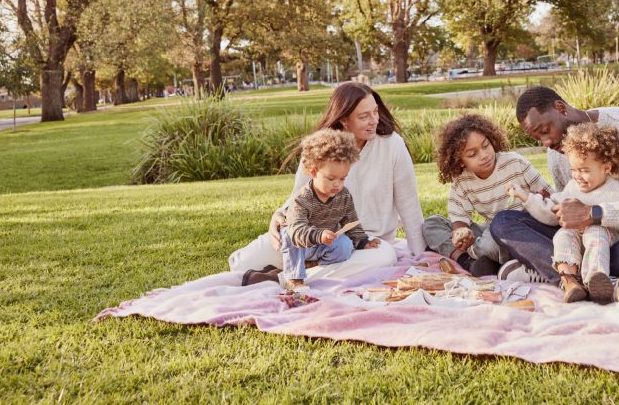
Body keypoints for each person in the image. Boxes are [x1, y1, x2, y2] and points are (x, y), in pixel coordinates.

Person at [490, 86, 619, 286]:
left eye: (544, 131)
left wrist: (594, 213)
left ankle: (566, 274)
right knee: (503, 223)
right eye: (538, 138)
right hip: (581, 242)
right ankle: (586, 277)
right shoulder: (557, 153)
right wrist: (543, 203)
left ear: (560, 108)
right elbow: (569, 217)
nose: (546, 142)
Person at [232, 82, 425, 283]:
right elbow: (299, 195)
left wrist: (420, 256)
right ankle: (303, 267)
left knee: (385, 256)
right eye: (364, 116)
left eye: (375, 112)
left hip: (366, 242)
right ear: (344, 120)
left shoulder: (392, 145)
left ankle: (283, 279)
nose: (374, 121)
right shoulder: (321, 146)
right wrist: (279, 216)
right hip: (313, 236)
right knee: (242, 263)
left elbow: (410, 207)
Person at [509, 122, 619, 304]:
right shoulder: (572, 187)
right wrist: (526, 197)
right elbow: (552, 212)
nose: (577, 176)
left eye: (585, 170)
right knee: (564, 233)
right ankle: (569, 280)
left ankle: (596, 279)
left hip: (607, 245)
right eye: (574, 170)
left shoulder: (615, 191)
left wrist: (596, 220)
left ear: (606, 168)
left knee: (596, 231)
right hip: (577, 247)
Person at [422, 114, 551, 276]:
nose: (484, 155)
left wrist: (538, 199)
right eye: (472, 154)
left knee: (488, 246)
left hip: (523, 228)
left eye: (486, 145)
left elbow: (549, 195)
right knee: (432, 224)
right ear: (460, 161)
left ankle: (491, 259)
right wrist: (462, 235)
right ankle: (466, 261)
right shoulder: (463, 181)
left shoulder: (515, 163)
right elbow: (459, 220)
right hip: (490, 230)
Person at [271, 129, 380, 291]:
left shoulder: (343, 196)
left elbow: (351, 222)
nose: (337, 184)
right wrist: (318, 235)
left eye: (342, 178)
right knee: (287, 234)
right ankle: (294, 278)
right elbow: (297, 231)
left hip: (322, 245)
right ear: (314, 172)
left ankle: (313, 266)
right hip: (301, 243)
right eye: (331, 178)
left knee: (344, 245)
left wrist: (363, 242)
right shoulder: (301, 200)